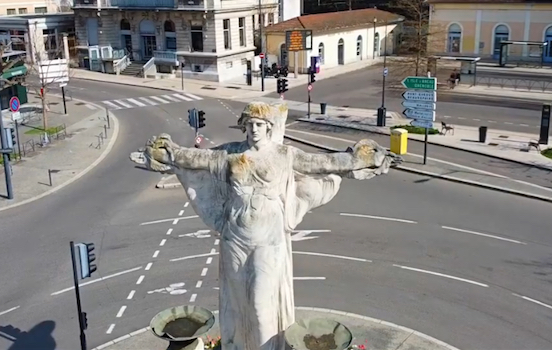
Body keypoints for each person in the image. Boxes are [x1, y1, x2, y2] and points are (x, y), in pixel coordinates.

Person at [135, 102, 400, 350]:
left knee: (261, 307)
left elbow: (323, 163)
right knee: (238, 306)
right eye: (249, 124)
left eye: (260, 125)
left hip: (268, 239)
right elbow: (194, 158)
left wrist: (357, 159)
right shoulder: (229, 154)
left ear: (269, 128)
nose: (254, 130)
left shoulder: (285, 155)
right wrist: (169, 152)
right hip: (234, 238)